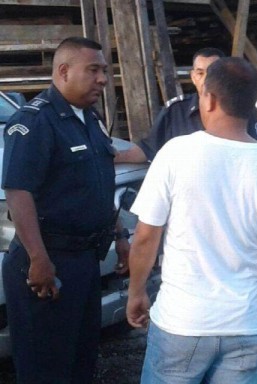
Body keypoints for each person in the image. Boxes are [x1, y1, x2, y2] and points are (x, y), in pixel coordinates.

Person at [125, 57, 257, 384]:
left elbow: (144, 237)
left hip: (183, 323)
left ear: (208, 99)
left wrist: (136, 291)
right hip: (246, 325)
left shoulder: (175, 153)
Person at [1, 36, 128, 383]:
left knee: (80, 362)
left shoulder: (89, 118)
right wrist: (39, 259)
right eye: (94, 70)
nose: (103, 78)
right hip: (48, 264)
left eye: (104, 70)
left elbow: (100, 182)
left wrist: (120, 238)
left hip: (84, 261)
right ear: (63, 71)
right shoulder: (35, 122)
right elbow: (18, 191)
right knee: (46, 369)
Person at [114, 47, 257, 164]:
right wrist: (116, 157)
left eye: (212, 73)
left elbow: (255, 152)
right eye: (200, 73)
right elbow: (149, 148)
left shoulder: (241, 110)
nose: (205, 79)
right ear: (192, 77)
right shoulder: (175, 111)